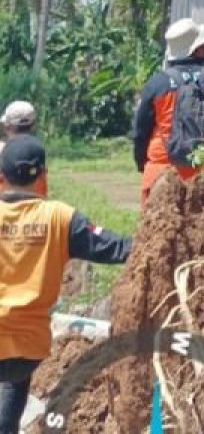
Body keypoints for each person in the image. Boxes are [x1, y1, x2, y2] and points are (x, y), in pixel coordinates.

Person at [0, 135, 131, 433]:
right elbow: (114, 247)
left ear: (1, 178)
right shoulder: (61, 218)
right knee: (14, 383)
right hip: (28, 351)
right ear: (43, 178)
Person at [132, 19, 204, 206]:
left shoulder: (157, 84)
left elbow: (140, 134)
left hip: (163, 179)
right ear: (198, 49)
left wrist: (143, 165)